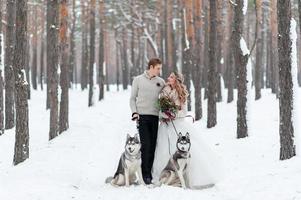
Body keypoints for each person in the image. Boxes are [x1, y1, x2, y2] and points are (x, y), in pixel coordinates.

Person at [152, 71, 223, 189]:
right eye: (169, 76)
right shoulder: (163, 92)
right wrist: (165, 114)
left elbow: (184, 112)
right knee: (163, 151)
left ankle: (188, 178)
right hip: (165, 126)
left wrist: (174, 113)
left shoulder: (181, 94)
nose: (168, 78)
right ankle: (167, 176)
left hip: (178, 124)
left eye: (171, 77)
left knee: (187, 151)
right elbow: (159, 111)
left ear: (176, 80)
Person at [129, 58, 165, 184]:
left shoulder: (161, 82)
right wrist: (134, 112)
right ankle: (145, 174)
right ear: (151, 67)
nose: (160, 70)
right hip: (142, 117)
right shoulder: (138, 80)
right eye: (158, 68)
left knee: (153, 146)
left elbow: (166, 98)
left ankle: (149, 171)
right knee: (146, 145)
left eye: (160, 68)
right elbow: (132, 99)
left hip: (155, 118)